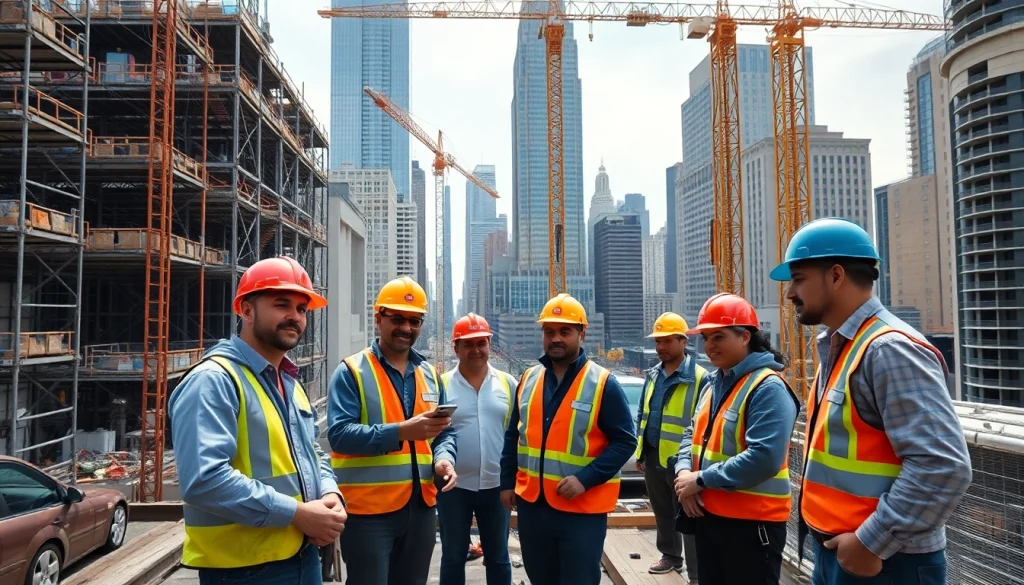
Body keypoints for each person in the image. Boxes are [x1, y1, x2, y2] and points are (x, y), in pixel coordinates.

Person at [769, 217, 972, 585]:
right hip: (844, 552)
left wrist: (870, 542)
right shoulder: (844, 348)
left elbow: (943, 466)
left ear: (835, 276)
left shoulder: (887, 349)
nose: (790, 294)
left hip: (885, 562)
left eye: (798, 279)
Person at [170, 256, 347, 585]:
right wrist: (296, 514)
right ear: (246, 310)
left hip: (302, 556)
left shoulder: (289, 382)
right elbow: (204, 479)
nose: (295, 316)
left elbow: (311, 452)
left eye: (301, 309)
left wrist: (330, 494)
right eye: (282, 304)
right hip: (243, 570)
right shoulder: (214, 380)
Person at [327, 275, 458, 585]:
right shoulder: (351, 371)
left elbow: (443, 432)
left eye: (414, 321)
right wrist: (400, 432)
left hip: (421, 509)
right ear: (378, 318)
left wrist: (444, 458)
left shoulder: (430, 374)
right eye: (398, 319)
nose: (406, 328)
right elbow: (339, 435)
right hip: (368, 514)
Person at [499, 293, 636, 585]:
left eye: (565, 331)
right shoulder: (529, 379)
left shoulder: (603, 383)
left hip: (580, 509)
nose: (556, 338)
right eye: (549, 332)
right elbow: (514, 436)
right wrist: (507, 482)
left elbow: (625, 442)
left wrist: (585, 479)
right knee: (540, 578)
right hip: (533, 506)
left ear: (581, 334)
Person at [673, 293, 800, 585]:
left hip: (752, 528)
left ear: (745, 337)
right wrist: (684, 476)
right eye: (705, 338)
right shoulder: (714, 384)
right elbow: (692, 434)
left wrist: (700, 480)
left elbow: (764, 458)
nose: (709, 346)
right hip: (709, 518)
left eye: (718, 336)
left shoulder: (767, 388)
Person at [438, 313, 516, 585]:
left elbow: (516, 434)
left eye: (481, 343)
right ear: (455, 348)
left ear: (489, 345)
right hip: (453, 487)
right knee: (453, 556)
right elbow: (434, 434)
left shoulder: (507, 383)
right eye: (468, 344)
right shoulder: (441, 384)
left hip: (496, 486)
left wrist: (513, 479)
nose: (476, 350)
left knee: (498, 556)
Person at [635, 312, 707, 578]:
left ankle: (697, 573)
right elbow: (644, 413)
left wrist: (694, 464)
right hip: (655, 454)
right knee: (663, 511)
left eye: (667, 341)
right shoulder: (653, 374)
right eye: (658, 341)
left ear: (683, 341)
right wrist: (642, 452)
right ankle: (670, 556)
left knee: (689, 514)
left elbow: (703, 423)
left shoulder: (699, 378)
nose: (660, 347)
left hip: (683, 461)